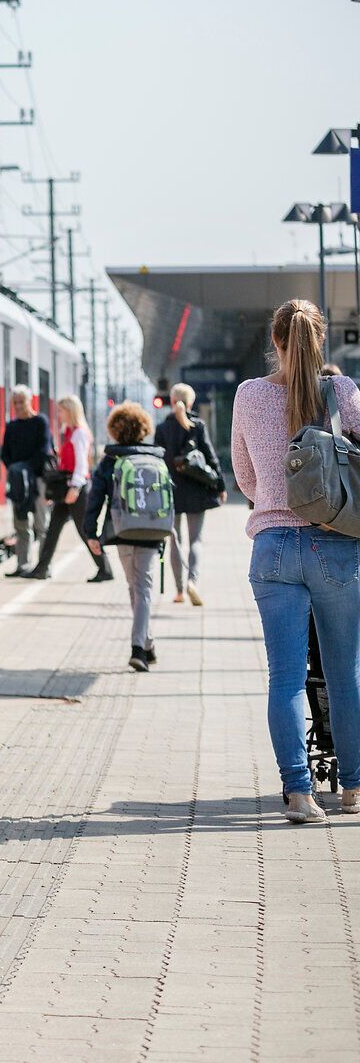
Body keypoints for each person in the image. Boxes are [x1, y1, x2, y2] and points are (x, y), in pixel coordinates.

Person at [230, 299, 360, 823]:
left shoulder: (248, 394)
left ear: (276, 341)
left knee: (284, 679)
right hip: (336, 546)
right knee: (344, 674)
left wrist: (273, 501)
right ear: (319, 341)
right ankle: (353, 789)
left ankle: (299, 795)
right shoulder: (344, 391)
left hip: (273, 547)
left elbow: (243, 474)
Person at [81, 402, 167, 673]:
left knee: (135, 587)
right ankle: (143, 645)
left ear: (115, 430)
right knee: (140, 588)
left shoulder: (110, 460)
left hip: (122, 530)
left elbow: (95, 497)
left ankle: (140, 647)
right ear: (143, 428)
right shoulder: (156, 457)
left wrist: (90, 532)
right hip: (153, 530)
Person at [19, 395, 110, 581]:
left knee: (85, 531)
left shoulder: (79, 433)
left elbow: (82, 466)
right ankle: (42, 568)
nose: (58, 414)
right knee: (53, 530)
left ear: (70, 411)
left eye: (61, 410)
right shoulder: (69, 431)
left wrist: (75, 488)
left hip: (77, 489)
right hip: (66, 488)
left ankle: (106, 569)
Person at [154, 382, 227, 606]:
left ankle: (178, 591)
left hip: (171, 491)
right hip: (196, 491)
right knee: (195, 540)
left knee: (175, 539)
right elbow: (210, 456)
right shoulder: (198, 426)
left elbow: (157, 461)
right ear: (191, 401)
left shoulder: (162, 428)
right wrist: (221, 485)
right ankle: (192, 581)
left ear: (172, 400)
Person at [0, 385, 52, 577]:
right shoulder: (12, 427)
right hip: (19, 483)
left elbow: (44, 450)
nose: (19, 406)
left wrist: (25, 468)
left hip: (37, 480)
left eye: (22, 401)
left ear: (30, 401)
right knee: (21, 524)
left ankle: (43, 566)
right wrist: (16, 471)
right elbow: (4, 454)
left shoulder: (40, 422)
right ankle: (22, 565)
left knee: (41, 524)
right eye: (16, 402)